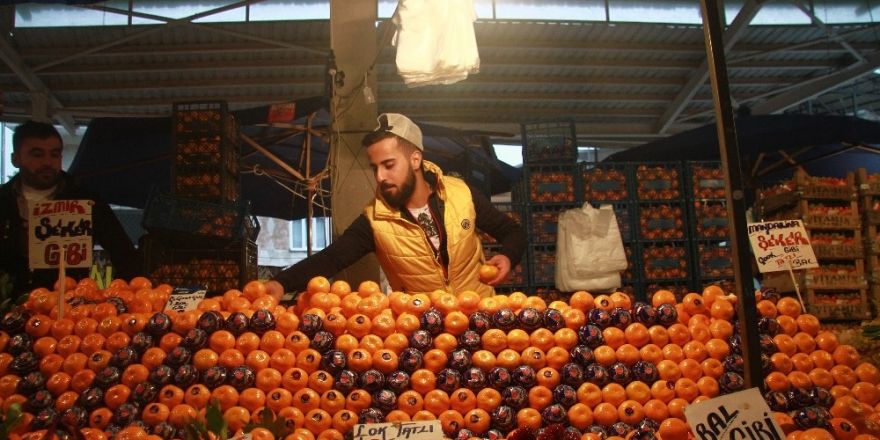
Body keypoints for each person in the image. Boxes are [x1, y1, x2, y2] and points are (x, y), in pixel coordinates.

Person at [274, 113, 526, 297]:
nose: (380, 176)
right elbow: (332, 257)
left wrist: (507, 256)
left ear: (415, 159)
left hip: (479, 321)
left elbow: (512, 231)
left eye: (389, 165)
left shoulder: (461, 193)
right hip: (425, 336)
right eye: (375, 168)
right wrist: (280, 283)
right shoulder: (375, 221)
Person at [0, 120, 138, 297]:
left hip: (72, 308)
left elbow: (125, 254)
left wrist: (121, 297)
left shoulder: (86, 201)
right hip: (10, 303)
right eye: (37, 154)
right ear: (15, 158)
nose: (47, 162)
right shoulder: (3, 201)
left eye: (54, 154)